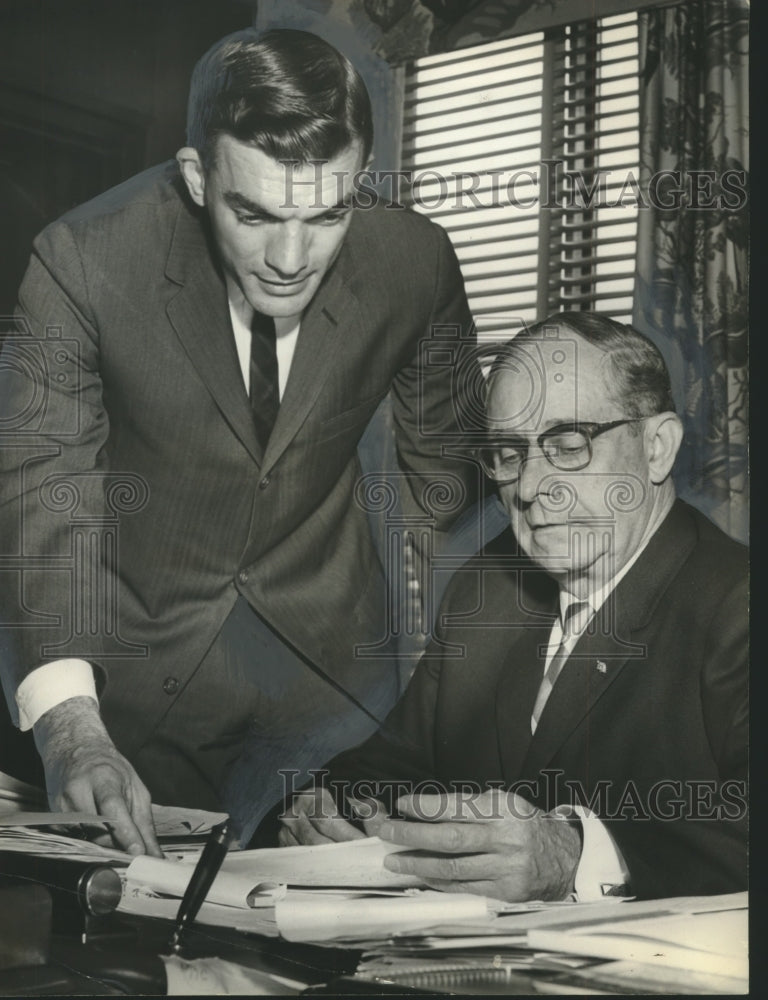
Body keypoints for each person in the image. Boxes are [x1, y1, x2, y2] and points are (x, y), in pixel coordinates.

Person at [0, 28, 479, 854]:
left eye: (328, 214)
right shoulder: (81, 263)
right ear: (197, 177)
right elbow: (47, 498)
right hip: (131, 691)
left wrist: (480, 716)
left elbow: (458, 502)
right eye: (253, 212)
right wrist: (72, 727)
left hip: (331, 686)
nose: (291, 259)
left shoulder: (417, 265)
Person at [280, 311, 748, 902]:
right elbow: (396, 763)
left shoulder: (738, 606)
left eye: (568, 445)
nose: (528, 488)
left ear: (657, 448)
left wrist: (578, 854)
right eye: (509, 452)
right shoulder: (488, 590)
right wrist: (329, 807)